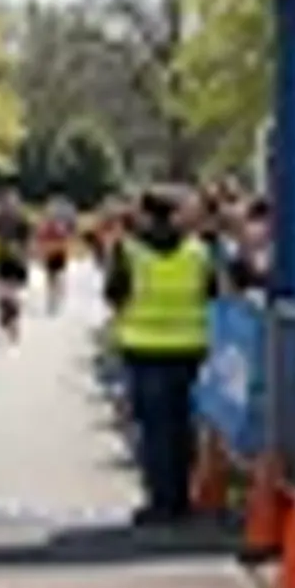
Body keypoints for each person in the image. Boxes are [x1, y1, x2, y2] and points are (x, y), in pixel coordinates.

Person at [104, 187, 213, 525]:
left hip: (143, 347)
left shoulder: (131, 251)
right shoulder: (198, 251)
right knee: (182, 426)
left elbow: (114, 293)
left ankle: (159, 501)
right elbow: (210, 291)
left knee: (154, 429)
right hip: (189, 346)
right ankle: (182, 498)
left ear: (147, 215)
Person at [0, 184, 34, 340]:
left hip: (17, 260)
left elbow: (28, 241)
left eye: (12, 202)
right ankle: (5, 315)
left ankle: (13, 320)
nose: (8, 205)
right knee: (1, 294)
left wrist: (25, 254)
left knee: (14, 294)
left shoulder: (23, 221)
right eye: (5, 202)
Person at [35, 200, 76, 314]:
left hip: (58, 254)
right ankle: (52, 299)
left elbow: (66, 240)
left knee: (57, 277)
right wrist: (39, 253)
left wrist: (66, 251)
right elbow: (39, 240)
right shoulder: (43, 226)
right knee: (50, 278)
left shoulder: (59, 226)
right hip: (48, 254)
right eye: (48, 213)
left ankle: (58, 296)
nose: (50, 215)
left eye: (51, 213)